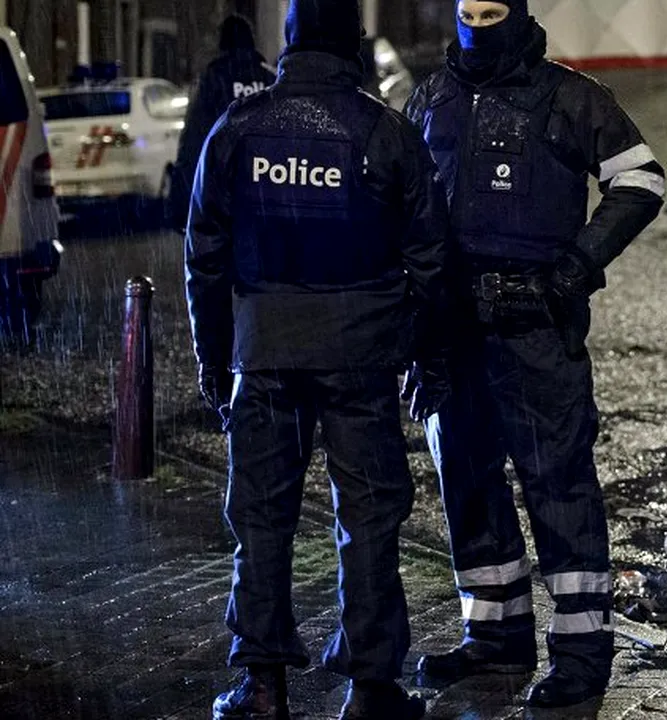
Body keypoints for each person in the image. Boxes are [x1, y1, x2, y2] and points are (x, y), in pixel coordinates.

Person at [185, 0, 451, 718]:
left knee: (261, 518)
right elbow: (431, 260)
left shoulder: (236, 129)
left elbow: (204, 256)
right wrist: (417, 350)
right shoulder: (385, 131)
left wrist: (215, 356)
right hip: (361, 354)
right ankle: (370, 687)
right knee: (369, 518)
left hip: (264, 354)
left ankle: (262, 686)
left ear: (291, 40)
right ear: (352, 43)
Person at [400, 0, 665, 708]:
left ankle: (582, 652)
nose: (478, 25)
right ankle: (495, 637)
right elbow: (397, 203)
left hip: (536, 332)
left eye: (493, 11)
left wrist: (574, 268)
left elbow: (641, 180)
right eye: (467, 11)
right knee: (467, 484)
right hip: (451, 332)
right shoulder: (430, 99)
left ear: (517, 14)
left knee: (559, 482)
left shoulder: (571, 97)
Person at [166, 14, 276, 234]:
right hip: (267, 188)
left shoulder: (213, 79)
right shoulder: (269, 79)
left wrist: (182, 203)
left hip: (224, 192)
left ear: (222, 43)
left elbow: (193, 142)